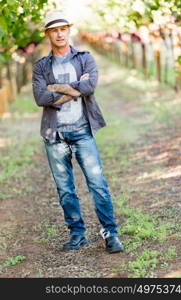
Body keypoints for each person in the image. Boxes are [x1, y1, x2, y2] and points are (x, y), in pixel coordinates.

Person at [32, 11, 123, 253]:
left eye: (63, 28)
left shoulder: (85, 58)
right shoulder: (41, 65)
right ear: (47, 34)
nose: (59, 33)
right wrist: (75, 89)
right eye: (54, 30)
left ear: (69, 30)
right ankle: (77, 234)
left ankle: (110, 234)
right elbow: (41, 97)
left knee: (98, 184)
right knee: (65, 189)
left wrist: (57, 89)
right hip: (55, 135)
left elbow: (89, 86)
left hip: (82, 130)